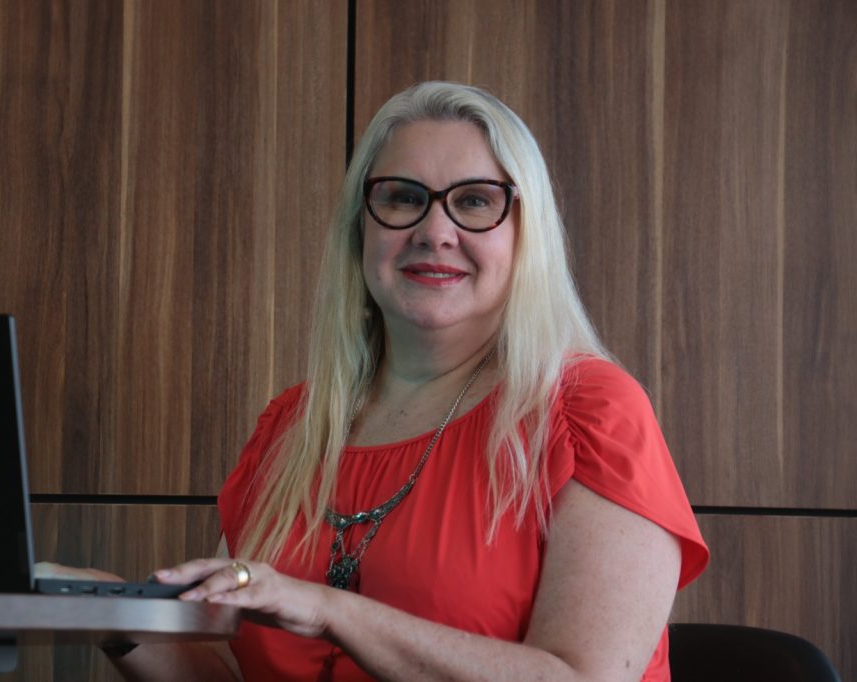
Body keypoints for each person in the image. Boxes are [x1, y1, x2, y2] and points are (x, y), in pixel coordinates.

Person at [40, 81, 709, 681]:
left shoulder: (588, 412)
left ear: (525, 234)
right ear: (359, 229)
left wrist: (328, 610)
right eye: (403, 198)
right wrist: (115, 611)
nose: (435, 231)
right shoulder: (293, 427)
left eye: (475, 201)